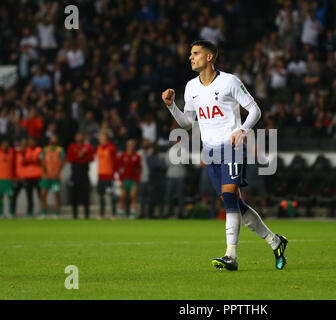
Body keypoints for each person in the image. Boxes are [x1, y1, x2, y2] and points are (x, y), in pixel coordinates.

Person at [162, 40, 287, 271]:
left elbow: (255, 110)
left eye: (196, 53)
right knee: (235, 204)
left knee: (229, 198)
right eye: (190, 53)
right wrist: (171, 106)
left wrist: (243, 130)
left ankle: (231, 255)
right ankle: (275, 241)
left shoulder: (229, 81)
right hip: (209, 150)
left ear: (209, 57)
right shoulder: (191, 87)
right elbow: (188, 123)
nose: (191, 57)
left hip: (233, 146)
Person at [67, 132, 94, 219]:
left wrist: (83, 156)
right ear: (75, 138)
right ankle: (75, 216)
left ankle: (87, 215)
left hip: (84, 173)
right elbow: (69, 159)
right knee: (74, 196)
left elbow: (91, 158)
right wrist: (78, 156)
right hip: (75, 173)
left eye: (81, 136)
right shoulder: (72, 147)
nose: (79, 137)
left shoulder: (88, 147)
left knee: (86, 196)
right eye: (78, 136)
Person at [39, 136, 65, 219]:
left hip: (55, 177)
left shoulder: (60, 150)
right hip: (46, 177)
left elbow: (62, 162)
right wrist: (44, 172)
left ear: (57, 141)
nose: (53, 141)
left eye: (55, 139)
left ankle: (57, 213)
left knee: (56, 195)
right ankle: (43, 212)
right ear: (49, 140)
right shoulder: (45, 149)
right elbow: (42, 161)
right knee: (43, 195)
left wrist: (57, 172)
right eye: (52, 139)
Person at [116, 139, 141, 219]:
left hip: (133, 180)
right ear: (127, 146)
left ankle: (132, 214)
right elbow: (119, 168)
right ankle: (120, 214)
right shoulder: (123, 156)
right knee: (122, 197)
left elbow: (139, 169)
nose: (131, 146)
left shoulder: (137, 156)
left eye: (133, 145)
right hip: (125, 180)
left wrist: (136, 180)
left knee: (133, 197)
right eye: (130, 145)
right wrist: (120, 180)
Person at [96, 132, 118, 220]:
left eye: (101, 138)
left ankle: (114, 214)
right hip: (101, 176)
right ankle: (102, 214)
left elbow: (115, 161)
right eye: (99, 138)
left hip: (109, 176)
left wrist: (115, 173)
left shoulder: (111, 148)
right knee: (101, 196)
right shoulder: (98, 148)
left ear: (106, 139)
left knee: (112, 196)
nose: (100, 139)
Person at [23, 137, 42, 218]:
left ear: (35, 142)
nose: (30, 143)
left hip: (38, 175)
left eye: (32, 142)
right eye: (29, 142)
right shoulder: (25, 150)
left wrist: (30, 160)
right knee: (29, 195)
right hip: (28, 176)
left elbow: (40, 160)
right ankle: (30, 211)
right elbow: (23, 161)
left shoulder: (39, 149)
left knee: (40, 195)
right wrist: (31, 160)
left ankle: (41, 211)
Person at [11, 139, 27, 216]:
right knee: (14, 195)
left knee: (29, 196)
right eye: (22, 145)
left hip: (27, 178)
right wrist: (15, 176)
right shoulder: (16, 154)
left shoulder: (29, 153)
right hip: (18, 178)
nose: (23, 147)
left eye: (24, 145)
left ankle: (30, 212)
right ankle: (13, 212)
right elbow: (13, 166)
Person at [0, 139, 15, 218]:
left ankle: (10, 213)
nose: (5, 147)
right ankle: (1, 213)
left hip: (9, 178)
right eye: (3, 145)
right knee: (0, 197)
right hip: (0, 179)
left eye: (7, 145)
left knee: (10, 197)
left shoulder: (12, 153)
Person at [137, 138, 151, 219]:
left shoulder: (152, 152)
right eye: (144, 142)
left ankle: (149, 214)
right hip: (141, 178)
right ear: (142, 144)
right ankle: (142, 213)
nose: (146, 144)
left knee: (149, 198)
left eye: (147, 142)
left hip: (150, 179)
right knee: (141, 198)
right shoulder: (139, 153)